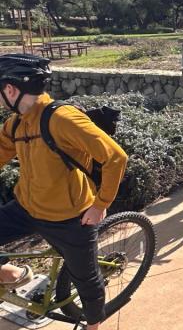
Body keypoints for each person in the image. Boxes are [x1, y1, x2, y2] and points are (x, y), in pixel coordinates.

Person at [0, 54, 128, 330]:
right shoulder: (16, 123)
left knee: (88, 281)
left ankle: (93, 326)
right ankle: (13, 273)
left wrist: (100, 204)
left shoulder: (62, 119)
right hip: (27, 206)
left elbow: (115, 157)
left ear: (10, 89)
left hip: (69, 217)